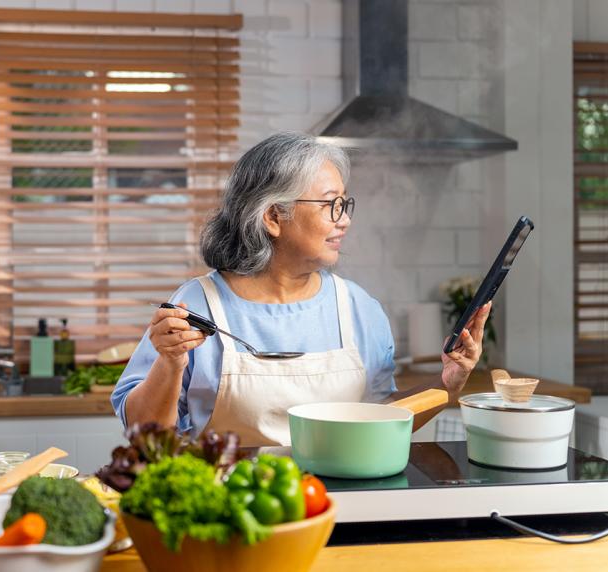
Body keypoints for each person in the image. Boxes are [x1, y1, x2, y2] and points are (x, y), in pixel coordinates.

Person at [111, 132, 490, 446]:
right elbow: (144, 436)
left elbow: (381, 416)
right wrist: (169, 364)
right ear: (274, 217)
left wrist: (447, 383)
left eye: (345, 204)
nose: (344, 221)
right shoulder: (195, 306)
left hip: (338, 501)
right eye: (330, 205)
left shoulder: (357, 306)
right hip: (224, 511)